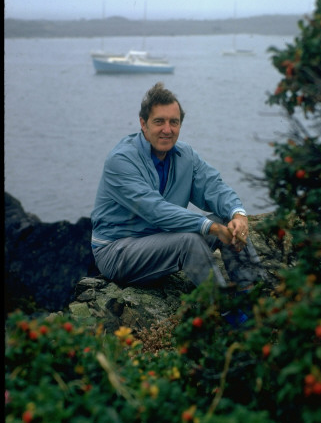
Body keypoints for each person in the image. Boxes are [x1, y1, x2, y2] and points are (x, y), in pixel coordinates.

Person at [91, 82, 266, 310]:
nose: (167, 129)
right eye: (159, 121)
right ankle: (225, 313)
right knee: (191, 240)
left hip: (162, 240)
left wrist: (238, 214)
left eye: (174, 122)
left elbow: (213, 187)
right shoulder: (121, 160)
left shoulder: (185, 155)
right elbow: (156, 211)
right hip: (117, 251)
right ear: (143, 124)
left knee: (226, 222)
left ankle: (252, 297)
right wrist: (210, 228)